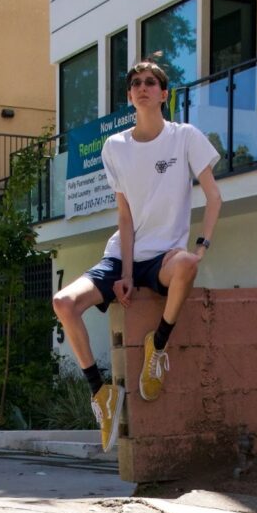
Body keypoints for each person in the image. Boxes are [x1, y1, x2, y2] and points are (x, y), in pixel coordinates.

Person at [52, 60, 223, 452]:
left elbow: (214, 197)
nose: (142, 87)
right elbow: (125, 215)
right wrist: (124, 273)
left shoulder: (185, 137)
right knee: (63, 303)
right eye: (135, 83)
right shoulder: (115, 147)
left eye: (150, 82)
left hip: (165, 256)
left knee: (187, 266)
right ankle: (101, 394)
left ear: (164, 94)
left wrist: (200, 247)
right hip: (122, 255)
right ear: (130, 96)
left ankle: (157, 346)